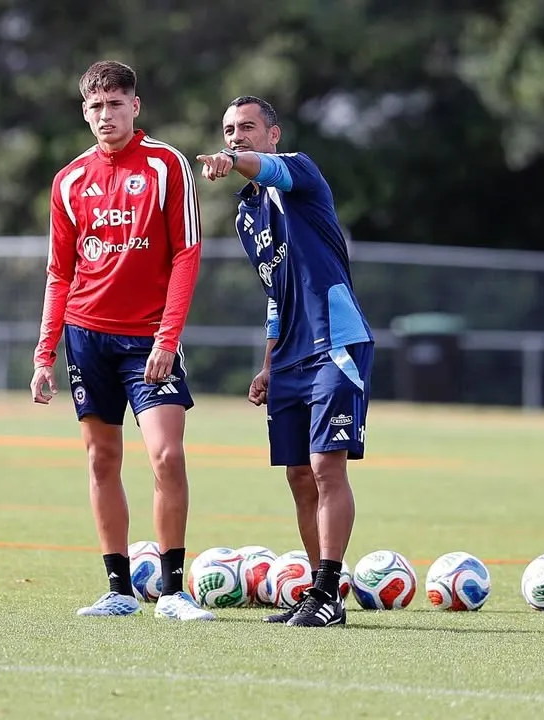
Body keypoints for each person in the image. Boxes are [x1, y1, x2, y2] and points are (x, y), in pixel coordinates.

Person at [30, 60, 213, 621]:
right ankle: (118, 591)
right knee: (101, 459)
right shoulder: (69, 180)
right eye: (94, 106)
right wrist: (44, 356)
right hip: (86, 338)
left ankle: (174, 590)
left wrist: (167, 336)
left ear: (136, 106)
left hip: (148, 342)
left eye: (114, 103)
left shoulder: (166, 165)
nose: (104, 115)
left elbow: (186, 253)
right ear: (83, 112)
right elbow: (59, 273)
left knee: (166, 455)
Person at [197, 96, 374, 628]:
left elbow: (263, 168)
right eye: (228, 129)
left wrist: (234, 162)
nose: (236, 136)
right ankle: (325, 594)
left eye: (247, 127)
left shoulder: (298, 170)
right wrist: (268, 363)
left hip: (335, 344)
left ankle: (324, 591)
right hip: (290, 356)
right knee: (299, 475)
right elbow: (276, 293)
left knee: (326, 468)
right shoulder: (246, 215)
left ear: (272, 134)